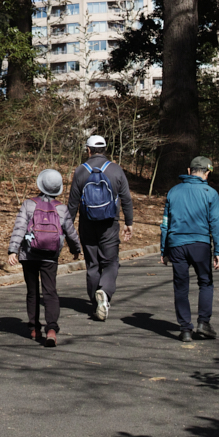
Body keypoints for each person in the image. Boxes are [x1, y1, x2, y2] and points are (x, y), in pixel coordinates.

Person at [6, 169, 81, 346]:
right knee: (50, 291)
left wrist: (13, 250)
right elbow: (70, 231)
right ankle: (52, 329)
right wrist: (75, 248)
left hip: (29, 254)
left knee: (32, 291)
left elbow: (19, 228)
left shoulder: (28, 204)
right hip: (50, 255)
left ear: (40, 185)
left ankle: (33, 328)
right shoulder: (61, 208)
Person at [66, 135, 133, 321]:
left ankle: (96, 303)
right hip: (109, 224)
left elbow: (72, 204)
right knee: (110, 262)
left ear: (88, 150)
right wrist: (129, 222)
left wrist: (68, 229)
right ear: (105, 149)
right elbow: (126, 198)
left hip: (87, 224)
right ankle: (104, 291)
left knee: (92, 265)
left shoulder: (80, 171)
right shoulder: (116, 170)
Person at [160, 156, 219, 342]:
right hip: (200, 244)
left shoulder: (173, 192)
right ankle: (203, 322)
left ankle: (185, 328)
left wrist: (164, 250)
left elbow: (165, 223)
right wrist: (218, 251)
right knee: (205, 282)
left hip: (176, 245)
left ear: (189, 171)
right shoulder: (210, 193)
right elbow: (217, 224)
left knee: (180, 287)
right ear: (207, 173)